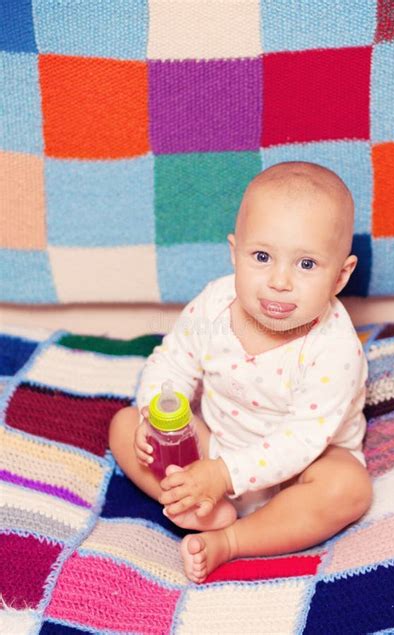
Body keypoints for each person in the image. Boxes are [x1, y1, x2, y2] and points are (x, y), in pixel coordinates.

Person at [109, 161, 372, 583]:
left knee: (350, 487)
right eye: (262, 256)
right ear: (235, 254)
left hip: (298, 475)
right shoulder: (215, 305)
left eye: (306, 264)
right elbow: (173, 362)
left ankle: (232, 540)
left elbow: (301, 439)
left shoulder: (334, 347)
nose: (279, 281)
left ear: (341, 275)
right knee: (125, 425)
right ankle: (190, 503)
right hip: (214, 448)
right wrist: (154, 417)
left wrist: (226, 474)